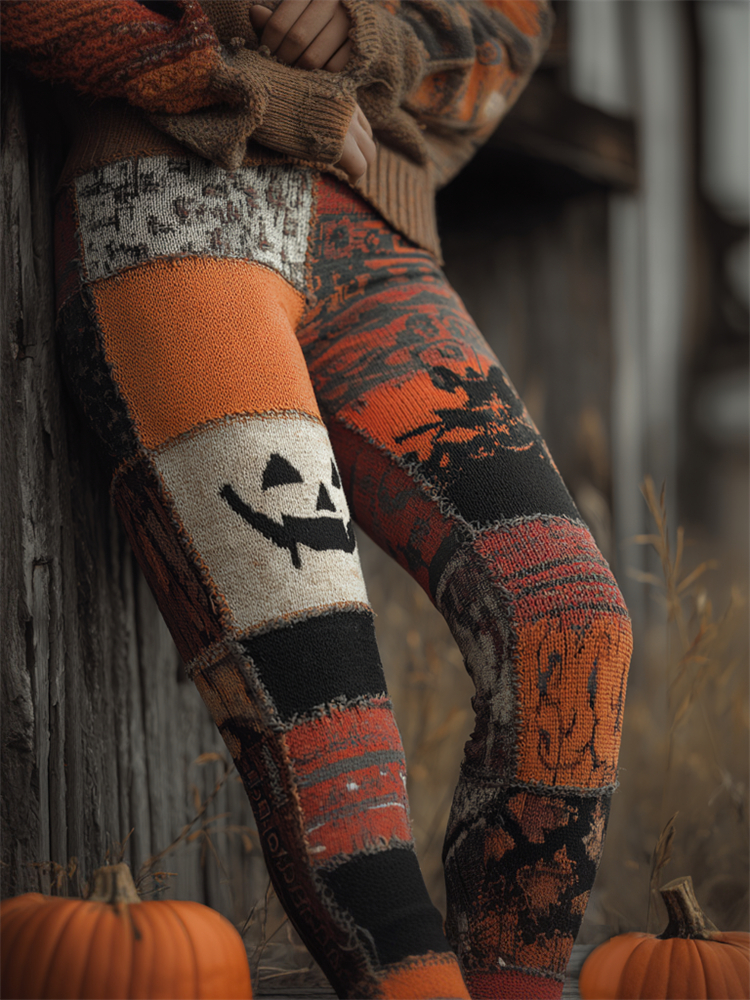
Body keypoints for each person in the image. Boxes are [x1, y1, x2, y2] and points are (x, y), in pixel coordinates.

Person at [1, 2, 633, 997]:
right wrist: (254, 59)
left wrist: (362, 30)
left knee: (573, 623)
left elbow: (511, 30)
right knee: (329, 742)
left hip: (378, 243)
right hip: (176, 199)